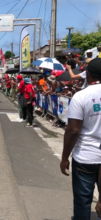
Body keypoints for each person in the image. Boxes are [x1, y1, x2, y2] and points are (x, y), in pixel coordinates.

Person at [60, 58, 101, 220]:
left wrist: (64, 158)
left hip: (86, 157)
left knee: (83, 202)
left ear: (88, 74)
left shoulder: (81, 96)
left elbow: (73, 130)